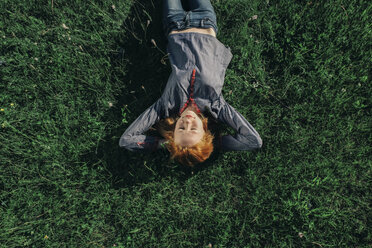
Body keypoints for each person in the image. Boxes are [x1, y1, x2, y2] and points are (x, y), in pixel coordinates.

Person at [119, 0, 262, 167]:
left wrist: (165, 145)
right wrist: (214, 143)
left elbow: (126, 140)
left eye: (181, 129)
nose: (187, 123)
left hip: (175, 24)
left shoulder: (166, 106)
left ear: (172, 133)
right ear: (205, 132)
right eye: (193, 129)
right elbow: (253, 140)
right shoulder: (215, 105)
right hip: (205, 21)